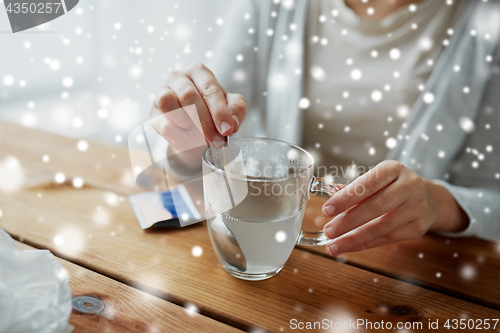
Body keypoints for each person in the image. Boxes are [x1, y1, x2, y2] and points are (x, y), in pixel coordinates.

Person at [149, 0, 500, 256]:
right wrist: (185, 141)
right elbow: (200, 139)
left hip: (411, 265)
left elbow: (493, 201)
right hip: (268, 244)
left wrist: (435, 204)